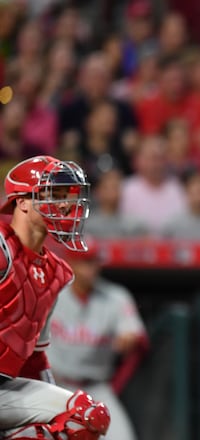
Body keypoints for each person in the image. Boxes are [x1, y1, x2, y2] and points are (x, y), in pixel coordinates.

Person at [0, 155, 110, 438]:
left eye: (67, 196)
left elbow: (35, 358)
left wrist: (53, 416)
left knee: (86, 417)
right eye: (53, 195)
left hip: (4, 389)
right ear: (22, 202)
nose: (64, 205)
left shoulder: (55, 273)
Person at [49, 241, 148, 440]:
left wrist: (129, 338)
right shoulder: (53, 293)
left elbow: (133, 332)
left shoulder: (116, 297)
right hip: (57, 386)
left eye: (94, 262)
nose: (91, 268)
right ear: (70, 263)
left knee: (122, 437)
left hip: (96, 388)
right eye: (85, 262)